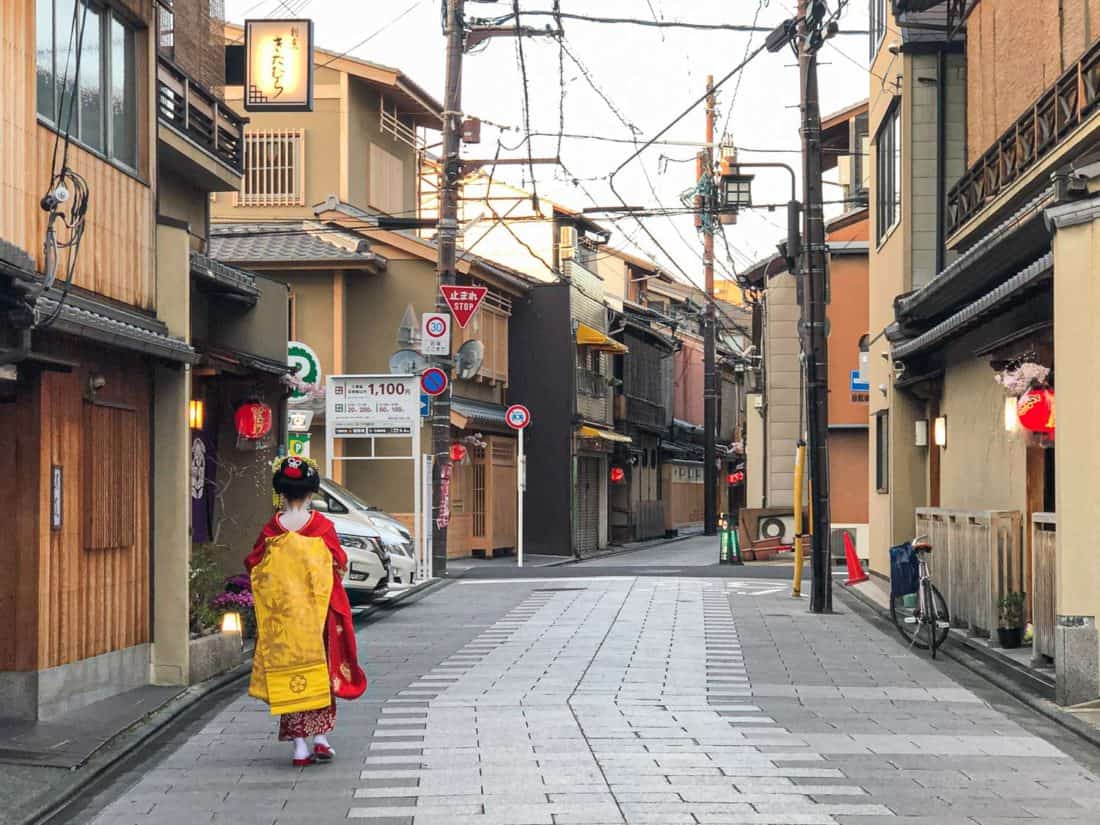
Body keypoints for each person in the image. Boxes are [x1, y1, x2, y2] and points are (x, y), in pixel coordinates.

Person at [246, 455, 367, 766]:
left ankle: (299, 745)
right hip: (318, 614)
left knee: (290, 673)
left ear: (281, 492)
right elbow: (338, 563)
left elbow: (254, 565)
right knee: (321, 670)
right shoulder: (321, 526)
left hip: (284, 619)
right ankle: (321, 738)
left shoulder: (272, 529)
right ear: (311, 491)